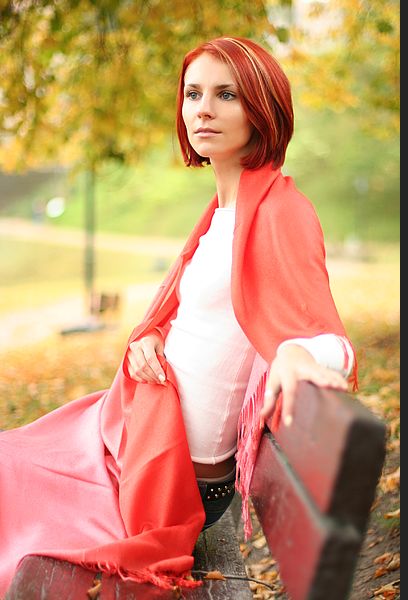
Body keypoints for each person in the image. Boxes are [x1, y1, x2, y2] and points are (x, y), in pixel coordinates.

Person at [0, 37, 356, 595]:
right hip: (137, 429)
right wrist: (153, 337)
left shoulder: (281, 210)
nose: (203, 109)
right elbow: (204, 316)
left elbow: (326, 334)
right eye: (193, 94)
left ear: (261, 107)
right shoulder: (222, 211)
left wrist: (295, 352)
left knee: (10, 478)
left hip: (172, 475)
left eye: (225, 94)